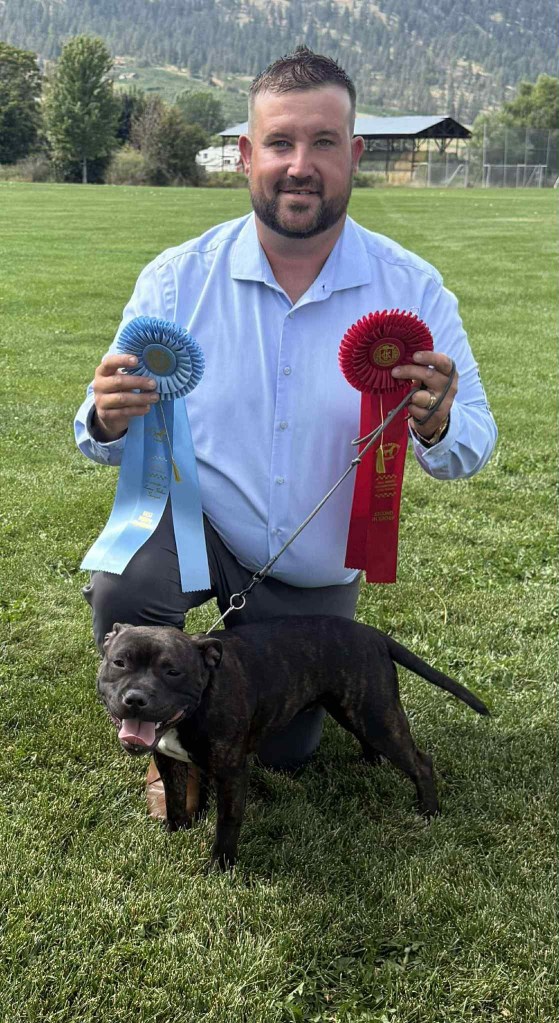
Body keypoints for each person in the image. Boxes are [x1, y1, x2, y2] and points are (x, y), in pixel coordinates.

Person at [75, 47, 497, 787]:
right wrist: (107, 417)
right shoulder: (176, 279)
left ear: (353, 155)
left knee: (284, 748)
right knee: (121, 580)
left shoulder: (413, 289)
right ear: (247, 155)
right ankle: (164, 731)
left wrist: (436, 424)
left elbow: (473, 445)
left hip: (309, 565)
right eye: (279, 142)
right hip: (199, 527)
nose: (300, 165)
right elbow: (101, 431)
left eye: (323, 142)